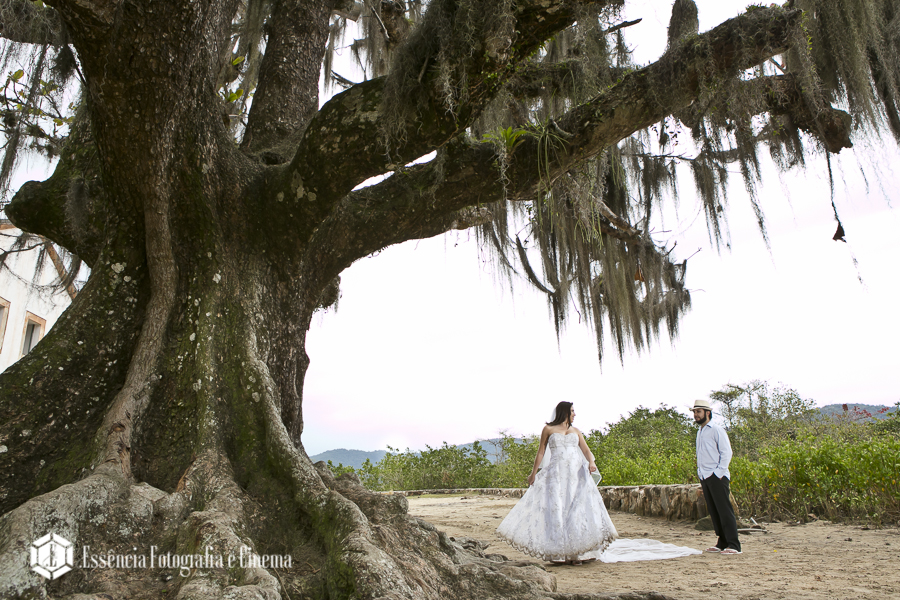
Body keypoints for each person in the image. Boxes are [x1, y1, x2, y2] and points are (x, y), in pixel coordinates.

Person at [496, 401, 617, 565]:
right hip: (556, 475)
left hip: (576, 474)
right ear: (564, 412)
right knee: (557, 510)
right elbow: (541, 452)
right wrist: (533, 473)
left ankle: (577, 554)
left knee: (576, 511)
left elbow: (586, 450)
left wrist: (591, 462)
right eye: (572, 411)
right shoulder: (548, 429)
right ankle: (558, 553)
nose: (575, 414)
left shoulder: (576, 431)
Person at [692, 398, 742, 555]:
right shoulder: (700, 431)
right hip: (705, 475)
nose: (696, 415)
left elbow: (726, 452)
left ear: (708, 413)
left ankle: (734, 544)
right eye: (694, 412)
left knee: (724, 510)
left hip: (717, 476)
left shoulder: (717, 430)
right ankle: (722, 542)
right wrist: (702, 473)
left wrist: (718, 473)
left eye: (698, 412)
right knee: (714, 511)